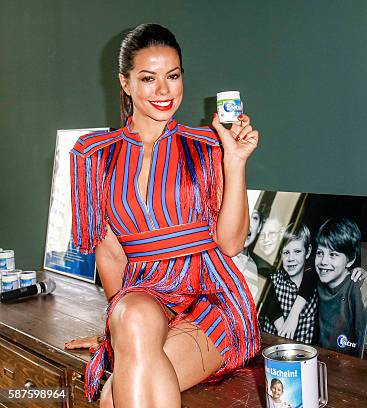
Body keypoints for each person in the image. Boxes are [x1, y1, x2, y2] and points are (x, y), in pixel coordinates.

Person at [64, 23, 260, 407]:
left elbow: (232, 243)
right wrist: (117, 327)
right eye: (148, 78)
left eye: (172, 76)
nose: (164, 91)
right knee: (133, 316)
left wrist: (235, 163)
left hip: (211, 296)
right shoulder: (92, 154)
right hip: (144, 300)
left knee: (112, 399)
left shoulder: (208, 146)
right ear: (125, 83)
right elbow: (111, 253)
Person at [315, 217, 366, 356]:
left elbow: (362, 339)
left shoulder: (354, 288)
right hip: (323, 358)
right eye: (320, 253)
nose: (323, 261)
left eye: (333, 254)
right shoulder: (318, 281)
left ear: (350, 260)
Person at [259, 224, 318, 342]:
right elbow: (259, 273)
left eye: (297, 251)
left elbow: (316, 272)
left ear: (308, 251)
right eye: (286, 252)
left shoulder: (316, 286)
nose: (291, 258)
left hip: (302, 354)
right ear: (280, 253)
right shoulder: (274, 281)